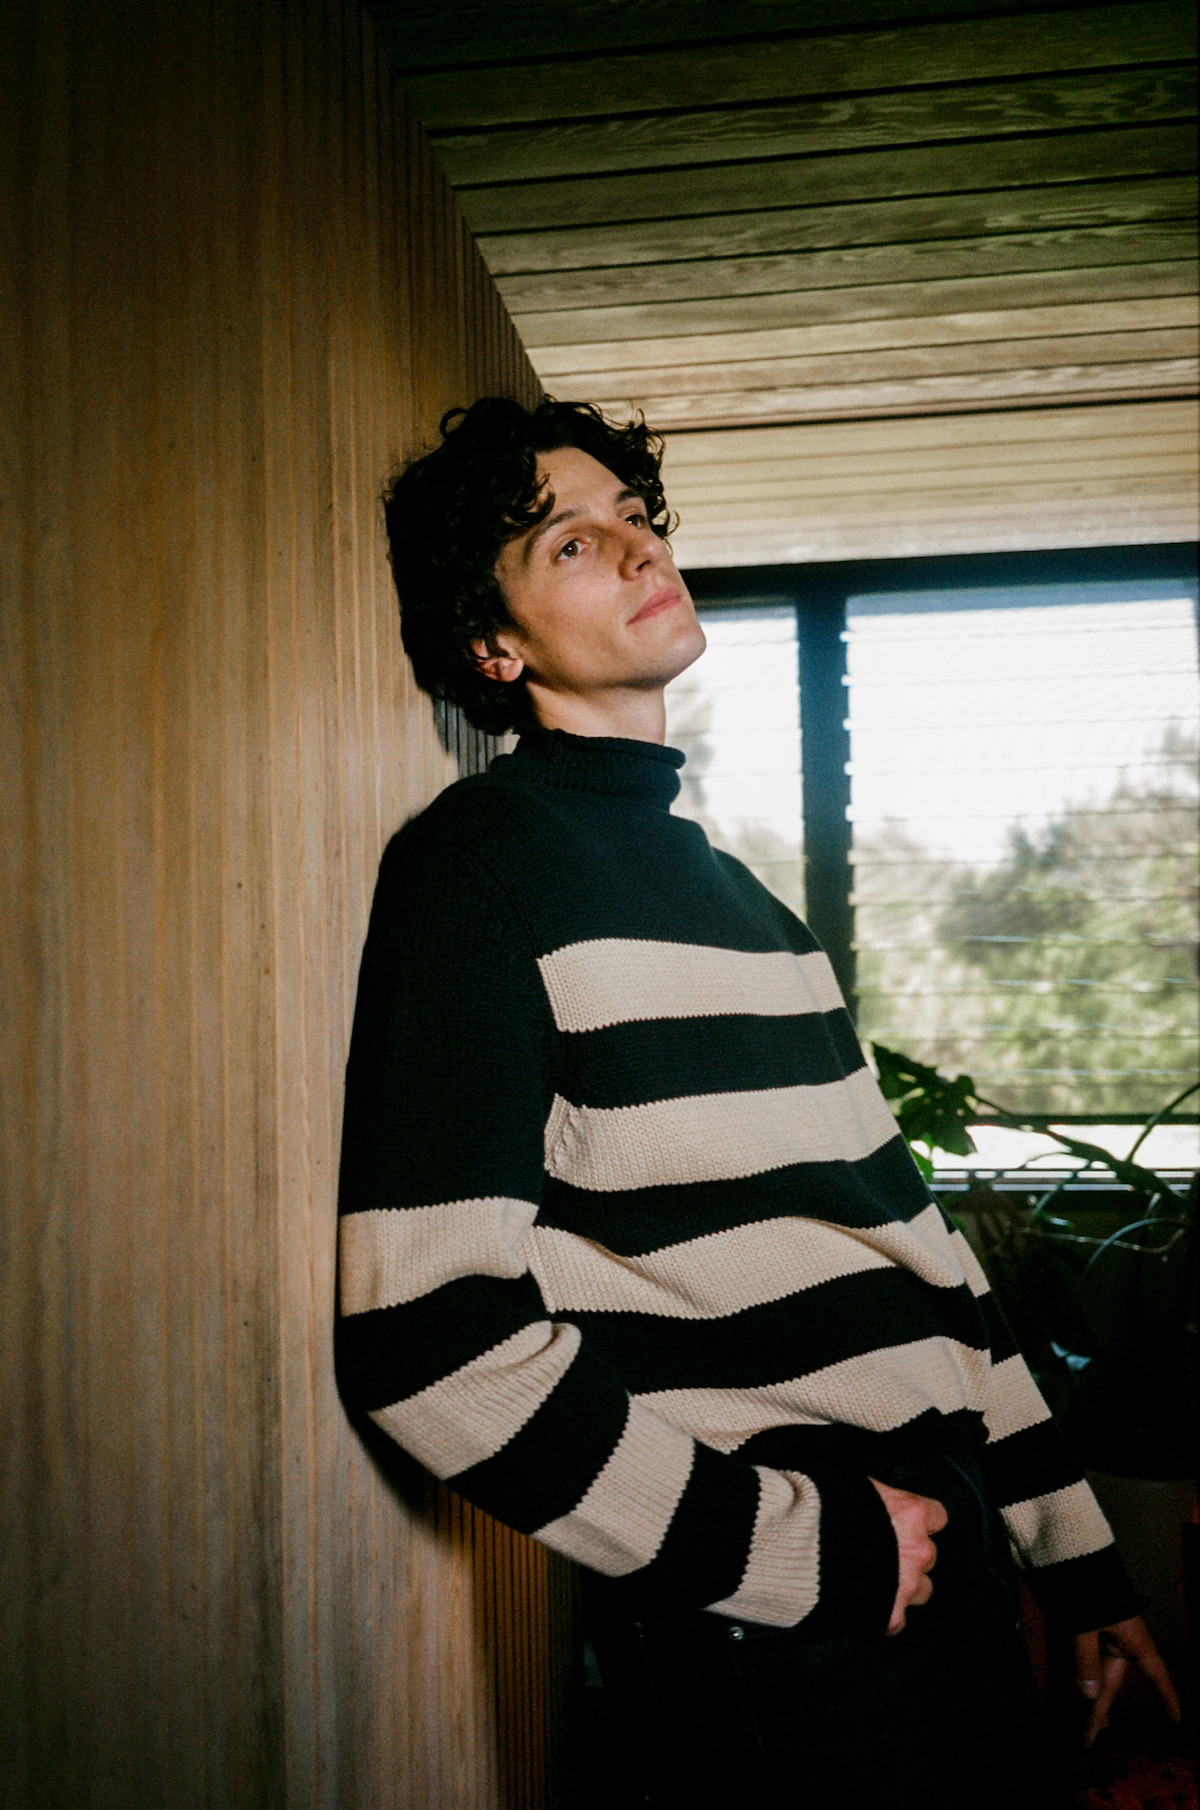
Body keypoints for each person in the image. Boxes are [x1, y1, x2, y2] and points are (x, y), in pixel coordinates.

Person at [335, 397, 1179, 1807]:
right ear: (495, 643)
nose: (633, 545)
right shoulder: (477, 869)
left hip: (942, 1556)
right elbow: (426, 1337)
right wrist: (794, 1551)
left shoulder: (755, 909)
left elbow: (930, 1268)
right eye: (568, 541)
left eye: (635, 516)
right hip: (792, 1604)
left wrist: (1080, 1568)